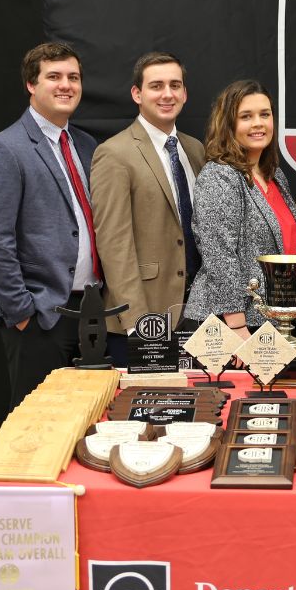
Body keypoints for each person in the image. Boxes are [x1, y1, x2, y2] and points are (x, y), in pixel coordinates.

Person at [0, 42, 99, 407]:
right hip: (42, 317)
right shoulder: (5, 149)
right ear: (31, 84)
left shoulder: (85, 145)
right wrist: (22, 312)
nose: (66, 85)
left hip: (89, 312)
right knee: (39, 429)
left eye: (73, 77)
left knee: (88, 424)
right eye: (54, 77)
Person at [90, 51, 205, 362]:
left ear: (184, 93)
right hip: (142, 319)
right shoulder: (114, 153)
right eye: (156, 86)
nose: (167, 94)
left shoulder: (195, 150)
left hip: (196, 316)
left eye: (175, 85)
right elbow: (114, 244)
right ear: (137, 94)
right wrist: (138, 323)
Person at [183, 80, 296, 340]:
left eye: (265, 114)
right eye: (246, 117)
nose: (258, 123)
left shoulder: (275, 176)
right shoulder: (219, 175)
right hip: (229, 326)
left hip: (268, 322)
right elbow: (219, 253)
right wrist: (236, 325)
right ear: (229, 124)